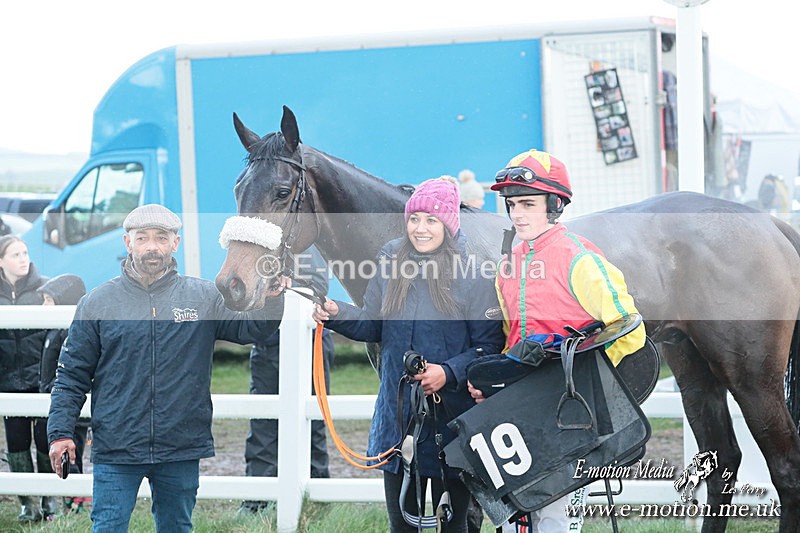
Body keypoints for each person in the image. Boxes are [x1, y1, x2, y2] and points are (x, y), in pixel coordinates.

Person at [46, 204, 285, 532]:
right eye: (142, 238)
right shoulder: (98, 302)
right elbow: (71, 374)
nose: (152, 246)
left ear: (175, 243)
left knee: (176, 527)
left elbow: (252, 330)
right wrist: (60, 433)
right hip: (117, 447)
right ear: (128, 243)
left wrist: (272, 300)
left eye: (161, 237)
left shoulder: (204, 297)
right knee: (108, 527)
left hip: (181, 444)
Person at [313, 177, 505, 532]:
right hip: (398, 422)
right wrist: (337, 312)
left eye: (431, 220)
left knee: (454, 526)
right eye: (414, 219)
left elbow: (488, 346)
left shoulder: (475, 272)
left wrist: (447, 372)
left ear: (448, 224)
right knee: (401, 526)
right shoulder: (390, 258)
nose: (420, 228)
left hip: (452, 426)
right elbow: (373, 325)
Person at [468, 150, 645, 533]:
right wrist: (496, 381)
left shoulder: (580, 259)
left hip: (570, 413)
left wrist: (578, 374)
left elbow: (628, 329)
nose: (517, 214)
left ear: (555, 205)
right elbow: (510, 339)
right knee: (514, 518)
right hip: (519, 409)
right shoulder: (508, 265)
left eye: (528, 204)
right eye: (513, 204)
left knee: (556, 520)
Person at [239, 245, 335, 514]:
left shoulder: (305, 243)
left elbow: (318, 284)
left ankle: (316, 498)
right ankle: (257, 501)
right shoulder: (256, 246)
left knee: (312, 421)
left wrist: (291, 282)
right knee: (263, 422)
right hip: (267, 343)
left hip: (311, 342)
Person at [0, 235, 56, 522]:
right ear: (1, 261)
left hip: (42, 381)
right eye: (15, 254)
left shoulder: (45, 288)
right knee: (17, 443)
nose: (23, 259)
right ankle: (28, 504)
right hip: (8, 383)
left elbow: (59, 336)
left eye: (25, 253)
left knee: (46, 440)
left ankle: (50, 499)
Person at [37, 274, 91, 514]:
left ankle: (77, 499)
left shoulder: (69, 333)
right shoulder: (51, 330)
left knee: (74, 451)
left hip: (72, 409)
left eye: (49, 300)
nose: (43, 307)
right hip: (56, 400)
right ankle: (71, 497)